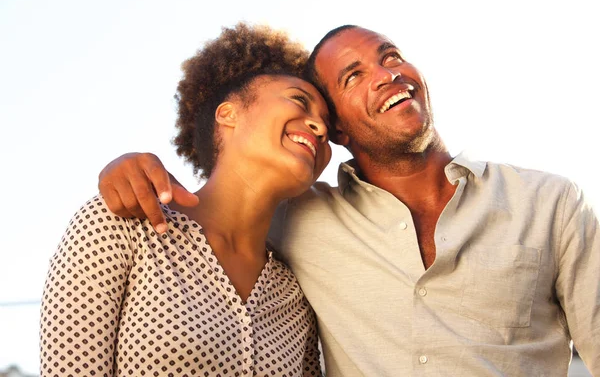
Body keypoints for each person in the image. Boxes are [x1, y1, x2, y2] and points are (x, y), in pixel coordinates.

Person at [97, 25, 600, 376]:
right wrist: (129, 166)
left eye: (391, 55)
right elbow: (229, 195)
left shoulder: (550, 202)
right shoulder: (298, 218)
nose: (387, 74)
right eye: (353, 76)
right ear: (334, 129)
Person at [40, 23, 332, 377]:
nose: (319, 126)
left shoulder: (295, 294)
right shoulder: (123, 223)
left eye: (327, 123)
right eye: (299, 101)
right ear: (228, 113)